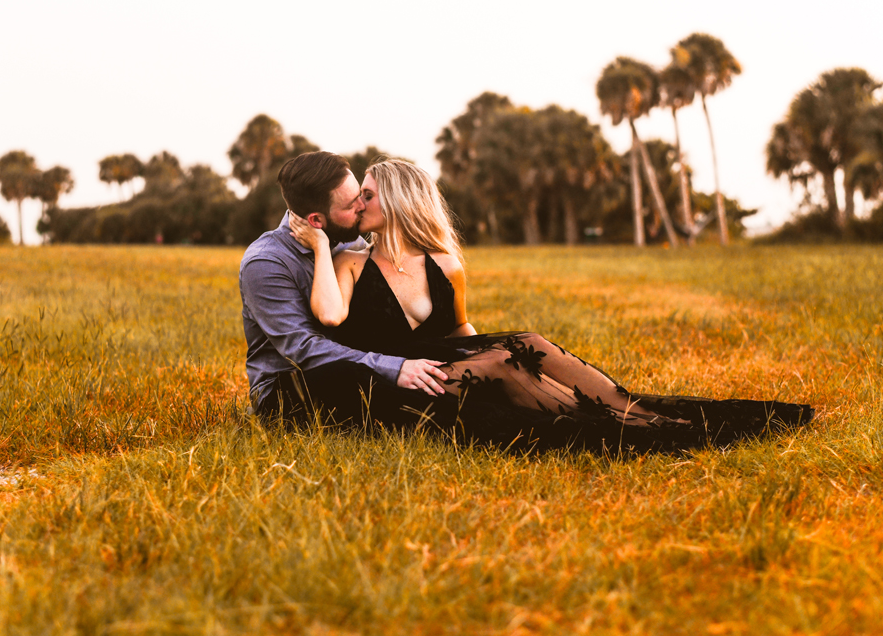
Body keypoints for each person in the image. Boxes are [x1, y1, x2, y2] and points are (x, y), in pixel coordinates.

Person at [286, 157, 814, 453]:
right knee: (500, 360)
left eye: (369, 195)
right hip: (392, 380)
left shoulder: (444, 263)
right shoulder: (350, 262)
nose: (359, 204)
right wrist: (317, 248)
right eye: (360, 197)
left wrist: (501, 360)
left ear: (400, 201)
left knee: (528, 344)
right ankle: (634, 433)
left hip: (443, 363)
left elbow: (463, 328)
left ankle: (629, 411)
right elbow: (330, 318)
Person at [239, 151, 454, 428]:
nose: (362, 208)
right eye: (353, 204)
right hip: (290, 387)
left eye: (363, 196)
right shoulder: (266, 263)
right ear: (316, 221)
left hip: (358, 368)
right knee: (391, 386)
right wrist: (394, 367)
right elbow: (305, 351)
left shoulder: (349, 245)